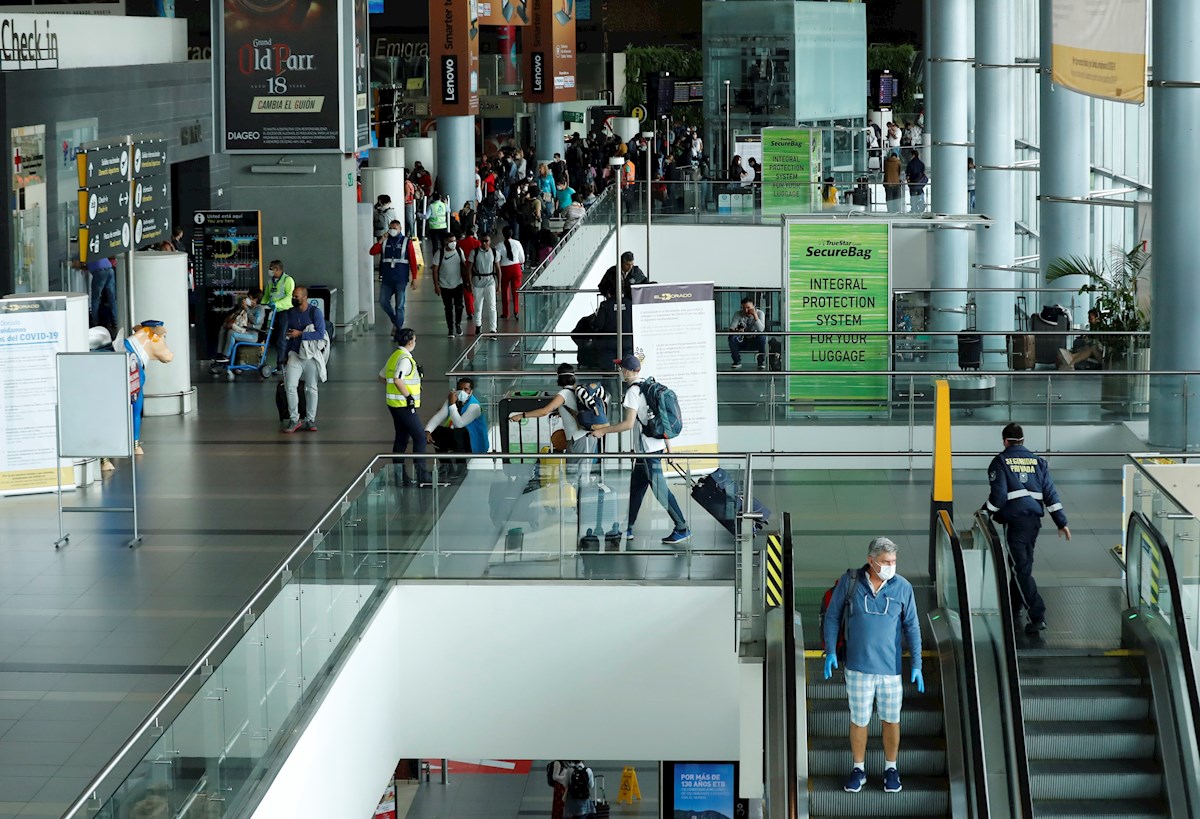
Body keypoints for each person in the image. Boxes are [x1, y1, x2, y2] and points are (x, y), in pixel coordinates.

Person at [822, 536, 924, 796]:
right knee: (859, 720)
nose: (891, 565)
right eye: (885, 561)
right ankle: (859, 769)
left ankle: (891, 768)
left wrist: (916, 664)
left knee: (891, 720)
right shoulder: (851, 582)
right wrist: (831, 651)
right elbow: (832, 617)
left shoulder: (902, 587)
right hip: (857, 668)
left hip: (890, 670)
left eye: (894, 561)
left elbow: (912, 625)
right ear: (871, 561)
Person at [590, 355, 691, 544]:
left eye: (622, 369)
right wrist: (669, 449)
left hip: (647, 451)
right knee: (636, 487)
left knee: (660, 490)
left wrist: (603, 431)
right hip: (654, 447)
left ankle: (682, 527)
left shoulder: (633, 392)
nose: (620, 372)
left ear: (628, 371)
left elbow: (628, 424)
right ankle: (626, 527)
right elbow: (662, 420)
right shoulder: (649, 386)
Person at [985, 422, 1070, 634]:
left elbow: (999, 497)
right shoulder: (1038, 462)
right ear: (1023, 440)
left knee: (1019, 568)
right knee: (1021, 565)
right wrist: (1062, 522)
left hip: (1015, 522)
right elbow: (1050, 495)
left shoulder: (1001, 462)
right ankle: (1015, 606)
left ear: (1005, 441)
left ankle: (1037, 614)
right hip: (1034, 522)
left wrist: (984, 512)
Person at [382, 328, 430, 486]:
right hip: (403, 406)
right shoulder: (404, 359)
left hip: (394, 404)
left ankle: (399, 476)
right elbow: (397, 379)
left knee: (402, 439)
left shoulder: (394, 356)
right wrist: (408, 396)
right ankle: (422, 474)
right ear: (410, 342)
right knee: (420, 438)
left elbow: (383, 376)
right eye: (415, 340)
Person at [282, 286, 328, 434]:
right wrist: (284, 355)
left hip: (310, 355)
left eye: (297, 296)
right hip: (295, 353)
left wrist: (300, 334)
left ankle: (310, 419)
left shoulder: (315, 312)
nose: (294, 299)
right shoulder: (291, 313)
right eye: (293, 296)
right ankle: (294, 419)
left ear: (304, 297)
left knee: (311, 387)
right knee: (290, 385)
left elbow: (320, 334)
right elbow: (288, 334)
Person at [424, 377, 489, 479]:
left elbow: (459, 424)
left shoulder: (474, 406)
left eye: (466, 389)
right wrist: (428, 431)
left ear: (471, 391)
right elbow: (439, 416)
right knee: (437, 432)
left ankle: (461, 468)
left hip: (474, 443)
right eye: (460, 388)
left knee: (458, 431)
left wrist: (452, 404)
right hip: (460, 439)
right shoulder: (452, 400)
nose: (462, 392)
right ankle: (446, 466)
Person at [371, 220, 420, 339]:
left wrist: (414, 277)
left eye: (395, 228)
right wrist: (381, 240)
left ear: (400, 228)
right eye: (391, 228)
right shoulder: (385, 241)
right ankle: (396, 321)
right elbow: (372, 251)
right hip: (387, 278)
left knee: (400, 305)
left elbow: (413, 261)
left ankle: (398, 330)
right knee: (383, 301)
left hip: (400, 279)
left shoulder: (406, 242)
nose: (392, 230)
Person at [215, 286, 265, 362]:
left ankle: (226, 356)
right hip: (242, 329)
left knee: (231, 333)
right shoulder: (247, 306)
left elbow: (256, 321)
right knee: (223, 328)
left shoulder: (260, 308)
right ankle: (219, 353)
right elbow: (238, 315)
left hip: (252, 335)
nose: (247, 299)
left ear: (255, 299)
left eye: (249, 297)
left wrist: (246, 309)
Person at [431, 233, 467, 337]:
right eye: (450, 241)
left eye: (454, 241)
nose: (453, 243)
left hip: (458, 283)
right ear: (445, 242)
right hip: (444, 285)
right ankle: (450, 328)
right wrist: (436, 285)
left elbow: (464, 266)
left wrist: (467, 281)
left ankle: (458, 324)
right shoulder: (440, 253)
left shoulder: (460, 252)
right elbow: (435, 269)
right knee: (448, 307)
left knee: (459, 306)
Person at [263, 260, 295, 375]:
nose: (270, 271)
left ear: (278, 269)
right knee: (272, 338)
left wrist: (277, 304)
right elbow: (267, 296)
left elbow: (289, 297)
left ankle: (282, 365)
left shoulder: (288, 280)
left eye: (272, 268)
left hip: (284, 311)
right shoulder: (270, 282)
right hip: (273, 312)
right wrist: (262, 305)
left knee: (281, 338)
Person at [467, 231, 501, 335]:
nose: (484, 243)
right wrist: (470, 283)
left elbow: (498, 269)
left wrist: (499, 285)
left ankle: (493, 329)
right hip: (477, 282)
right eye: (482, 241)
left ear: (490, 241)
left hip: (490, 281)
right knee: (478, 306)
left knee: (492, 306)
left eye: (486, 241)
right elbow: (469, 269)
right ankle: (478, 325)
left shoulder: (495, 253)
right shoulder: (474, 252)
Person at [728, 297, 767, 370]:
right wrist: (737, 331)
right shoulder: (738, 314)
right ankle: (737, 361)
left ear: (754, 306)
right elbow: (731, 329)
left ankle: (761, 361)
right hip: (742, 340)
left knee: (762, 337)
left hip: (755, 340)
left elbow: (761, 329)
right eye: (743, 308)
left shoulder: (760, 313)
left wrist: (755, 315)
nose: (746, 311)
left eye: (748, 308)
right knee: (732, 337)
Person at [497, 225, 526, 320]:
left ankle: (506, 313)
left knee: (505, 291)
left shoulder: (499, 246)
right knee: (516, 291)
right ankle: (516, 311)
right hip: (516, 268)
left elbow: (496, 260)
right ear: (512, 233)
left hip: (505, 269)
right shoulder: (517, 243)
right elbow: (522, 258)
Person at [86, 256, 117, 328]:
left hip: (100, 271)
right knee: (112, 298)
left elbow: (77, 264)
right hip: (109, 268)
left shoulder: (83, 251)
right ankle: (115, 321)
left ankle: (95, 322)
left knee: (95, 298)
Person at [906, 149, 928, 214]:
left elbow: (908, 174)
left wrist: (908, 181)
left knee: (913, 196)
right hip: (920, 182)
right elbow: (923, 172)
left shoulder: (910, 163)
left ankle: (914, 209)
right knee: (920, 193)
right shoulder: (921, 163)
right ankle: (921, 207)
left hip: (913, 183)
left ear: (913, 155)